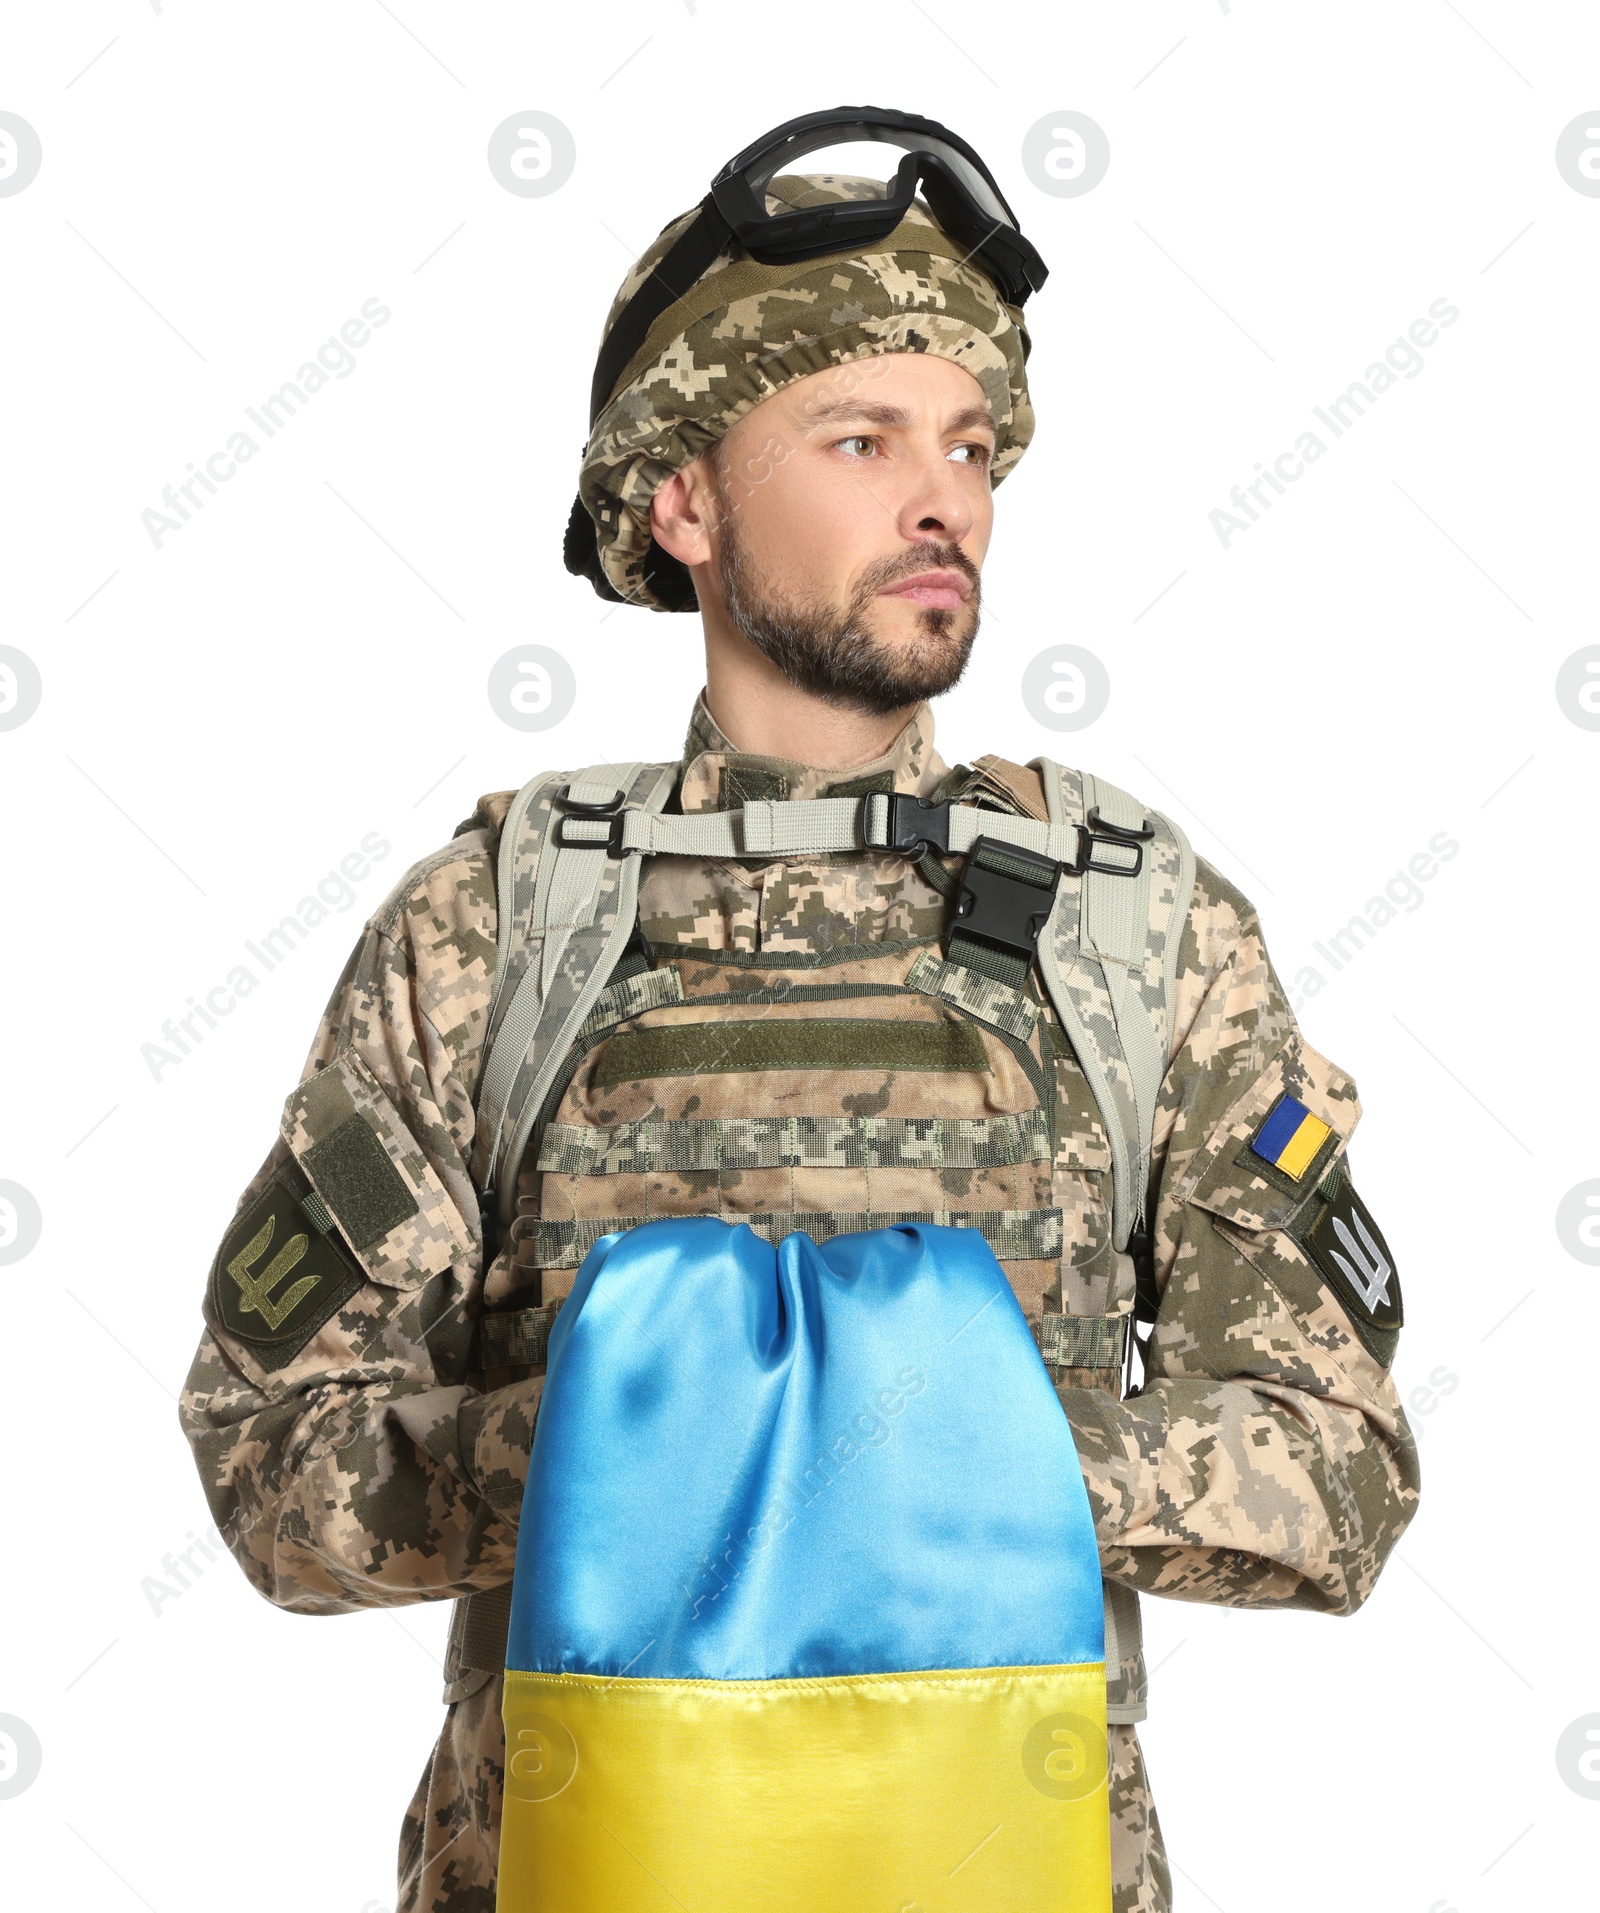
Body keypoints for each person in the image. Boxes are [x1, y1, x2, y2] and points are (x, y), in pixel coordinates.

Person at [180, 108, 1420, 1913]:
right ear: (683, 499)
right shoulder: (501, 929)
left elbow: (1340, 1473)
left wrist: (961, 1437)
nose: (949, 500)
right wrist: (622, 1431)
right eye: (861, 438)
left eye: (973, 444)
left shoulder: (1135, 929)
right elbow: (268, 1458)